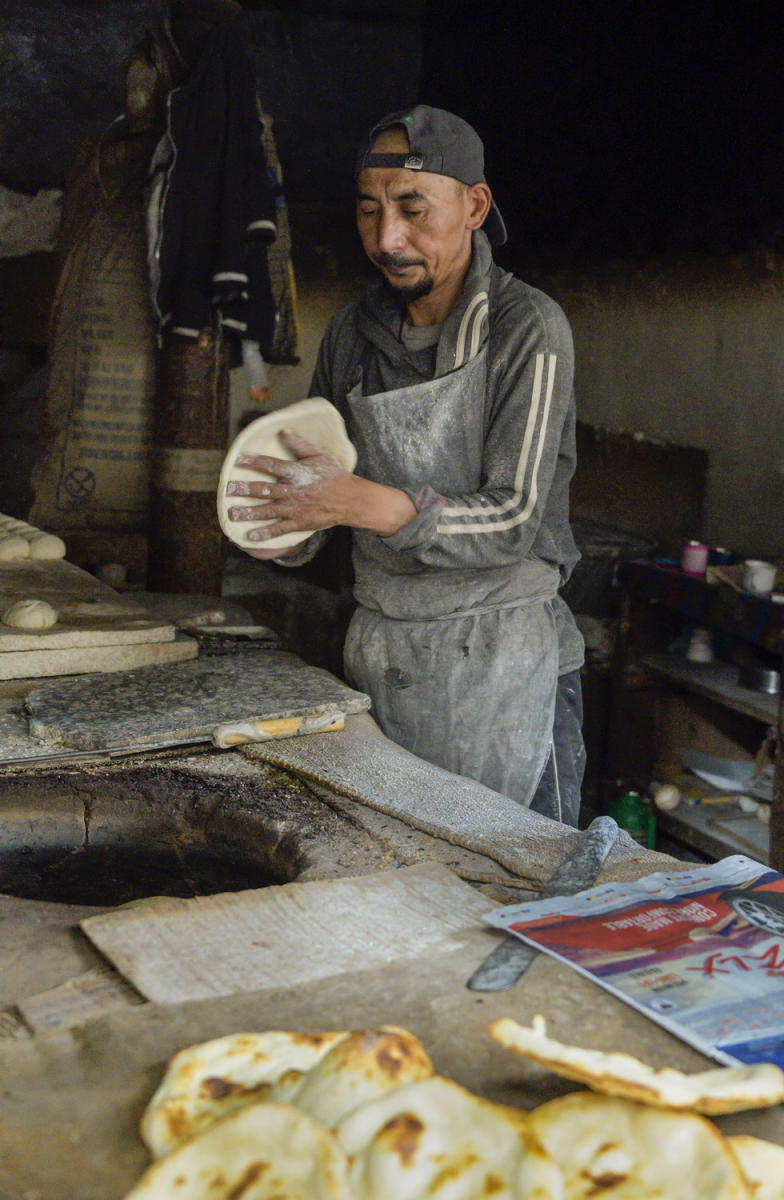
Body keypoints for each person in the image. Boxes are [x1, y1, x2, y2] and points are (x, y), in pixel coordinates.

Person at [226, 105, 585, 824]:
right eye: (369, 212)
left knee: (499, 893)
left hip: (501, 667)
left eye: (414, 210)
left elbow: (514, 517)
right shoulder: (354, 334)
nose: (388, 239)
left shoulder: (528, 329)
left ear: (474, 205)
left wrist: (358, 504)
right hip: (381, 660)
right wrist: (287, 522)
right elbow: (321, 503)